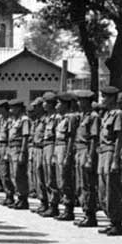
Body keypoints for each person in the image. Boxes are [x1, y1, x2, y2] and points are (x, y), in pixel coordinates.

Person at [97, 86, 122, 236]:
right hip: (102, 152)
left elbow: (119, 139)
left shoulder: (118, 114)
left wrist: (116, 160)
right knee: (102, 190)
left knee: (111, 190)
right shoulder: (107, 114)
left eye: (105, 97)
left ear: (112, 99)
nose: (103, 100)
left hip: (110, 153)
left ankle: (116, 222)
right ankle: (111, 219)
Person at [73, 90, 100, 227]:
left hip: (86, 150)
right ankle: (85, 212)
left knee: (88, 184)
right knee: (81, 184)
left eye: (80, 100)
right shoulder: (83, 116)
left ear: (86, 101)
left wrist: (90, 158)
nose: (78, 103)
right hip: (80, 149)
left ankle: (90, 214)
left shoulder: (93, 116)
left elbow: (94, 139)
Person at [54, 92, 78, 221]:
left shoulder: (71, 118)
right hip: (58, 147)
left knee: (66, 179)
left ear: (65, 105)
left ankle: (69, 209)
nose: (57, 105)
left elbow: (71, 138)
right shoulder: (61, 118)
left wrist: (68, 155)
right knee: (60, 179)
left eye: (59, 103)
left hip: (64, 148)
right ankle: (65, 206)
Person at [7, 99, 31, 210]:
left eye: (13, 108)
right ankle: (19, 197)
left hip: (18, 147)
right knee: (13, 174)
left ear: (19, 108)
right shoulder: (13, 120)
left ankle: (23, 198)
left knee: (19, 174)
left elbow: (25, 137)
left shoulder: (24, 119)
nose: (11, 110)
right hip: (12, 147)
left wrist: (22, 152)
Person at [40, 92, 60, 217]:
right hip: (45, 146)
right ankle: (47, 202)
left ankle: (54, 205)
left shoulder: (56, 118)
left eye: (45, 102)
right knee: (45, 176)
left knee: (52, 177)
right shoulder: (47, 118)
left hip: (52, 146)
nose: (43, 104)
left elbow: (57, 136)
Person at [30, 98, 48, 213]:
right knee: (37, 176)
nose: (34, 109)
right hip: (35, 148)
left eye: (36, 106)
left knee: (42, 175)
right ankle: (42, 201)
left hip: (42, 148)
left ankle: (47, 202)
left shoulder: (46, 120)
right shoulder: (37, 121)